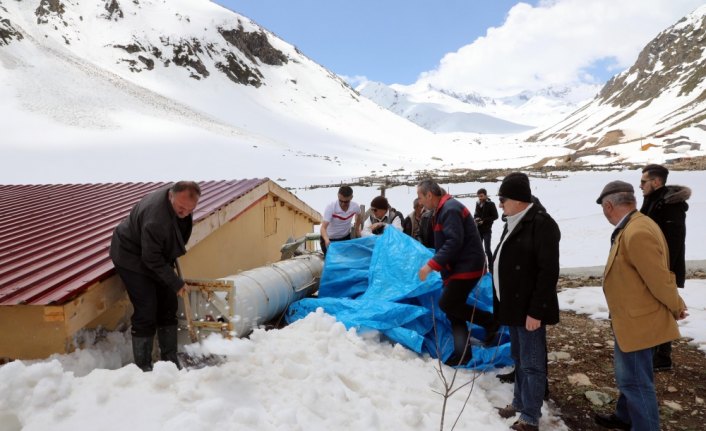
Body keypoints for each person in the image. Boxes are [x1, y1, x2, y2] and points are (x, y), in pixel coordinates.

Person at [593, 180, 687, 431]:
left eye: (604, 208)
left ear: (610, 205)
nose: (604, 214)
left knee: (635, 381)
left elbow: (658, 277)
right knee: (633, 376)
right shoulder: (637, 224)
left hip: (638, 321)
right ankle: (625, 417)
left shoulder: (637, 231)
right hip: (631, 317)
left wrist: (676, 305)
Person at [492, 173, 560, 431]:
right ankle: (519, 404)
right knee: (519, 359)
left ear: (519, 199)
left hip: (530, 310)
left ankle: (530, 417)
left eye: (503, 199)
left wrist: (536, 311)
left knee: (532, 364)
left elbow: (548, 273)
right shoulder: (513, 220)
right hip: (513, 307)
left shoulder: (542, 224)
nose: (500, 204)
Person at [109, 181, 201, 371]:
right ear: (170, 196)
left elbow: (161, 249)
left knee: (168, 304)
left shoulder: (177, 203)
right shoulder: (156, 220)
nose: (184, 213)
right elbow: (151, 259)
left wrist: (171, 282)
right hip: (131, 256)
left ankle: (169, 359)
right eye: (181, 208)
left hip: (154, 253)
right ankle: (143, 367)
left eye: (189, 210)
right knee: (147, 308)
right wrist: (176, 282)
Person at [417, 179, 497, 366]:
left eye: (420, 197)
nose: (419, 201)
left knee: (448, 303)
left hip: (468, 266)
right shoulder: (443, 209)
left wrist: (431, 265)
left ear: (429, 195)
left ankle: (491, 322)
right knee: (453, 308)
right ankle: (462, 352)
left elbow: (453, 242)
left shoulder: (450, 209)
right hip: (459, 267)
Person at [639, 164, 691, 371]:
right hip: (655, 266)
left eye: (644, 181)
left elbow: (674, 241)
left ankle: (663, 357)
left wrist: (664, 272)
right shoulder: (653, 201)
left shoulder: (670, 206)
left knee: (664, 309)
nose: (640, 185)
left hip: (664, 268)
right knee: (655, 309)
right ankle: (654, 352)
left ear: (656, 181)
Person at [320, 185, 361, 254]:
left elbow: (359, 215)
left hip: (345, 238)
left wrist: (357, 229)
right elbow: (323, 228)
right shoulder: (331, 207)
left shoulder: (355, 206)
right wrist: (326, 240)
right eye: (340, 201)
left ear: (351, 197)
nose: (343, 204)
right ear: (338, 196)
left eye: (346, 202)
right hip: (329, 239)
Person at [474, 188, 499, 264]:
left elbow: (495, 216)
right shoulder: (478, 203)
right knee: (479, 249)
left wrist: (484, 221)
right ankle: (481, 265)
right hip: (478, 229)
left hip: (487, 230)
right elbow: (475, 214)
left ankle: (491, 266)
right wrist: (476, 218)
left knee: (487, 250)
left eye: (481, 196)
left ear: (485, 195)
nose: (480, 198)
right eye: (479, 196)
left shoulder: (491, 204)